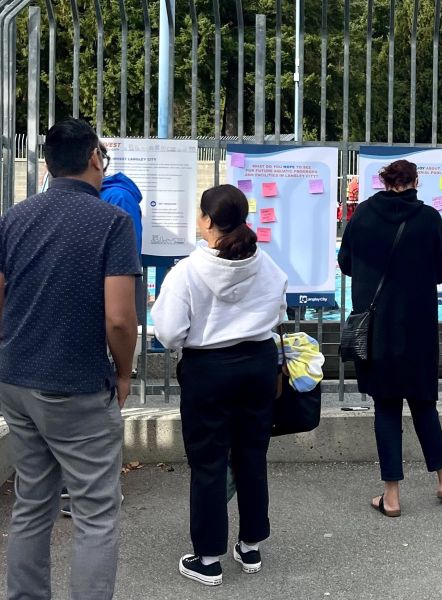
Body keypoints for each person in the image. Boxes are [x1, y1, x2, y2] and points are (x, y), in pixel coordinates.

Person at [0, 118, 140, 599]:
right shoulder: (112, 222)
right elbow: (120, 319)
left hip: (16, 380)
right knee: (96, 512)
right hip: (77, 385)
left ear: (47, 164)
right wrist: (124, 373)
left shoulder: (14, 218)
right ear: (95, 159)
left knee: (32, 503)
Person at [151, 184, 287, 586]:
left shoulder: (187, 272)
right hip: (259, 366)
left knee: (209, 463)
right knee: (251, 454)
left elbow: (170, 332)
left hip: (209, 370)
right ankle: (251, 545)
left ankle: (208, 557)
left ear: (207, 221)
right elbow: (278, 311)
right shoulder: (268, 265)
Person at [338, 159, 442, 518]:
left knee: (386, 405)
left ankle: (391, 497)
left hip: (376, 329)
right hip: (417, 327)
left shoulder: (362, 216)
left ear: (383, 182)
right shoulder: (428, 219)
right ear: (415, 182)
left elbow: (345, 263)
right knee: (423, 402)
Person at [61, 146, 145, 518]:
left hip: (103, 315)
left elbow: (119, 313)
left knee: (97, 413)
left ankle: (89, 491)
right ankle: (85, 489)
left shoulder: (114, 201)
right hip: (100, 314)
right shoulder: (112, 199)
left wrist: (124, 369)